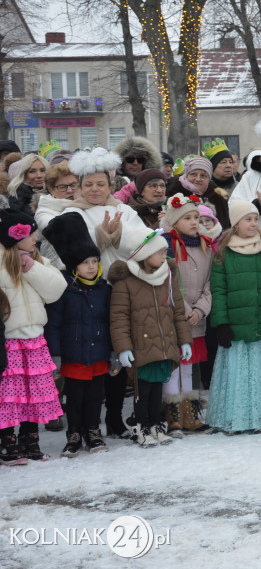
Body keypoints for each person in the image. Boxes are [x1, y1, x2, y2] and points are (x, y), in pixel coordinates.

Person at [61, 147, 150, 440]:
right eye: (88, 184)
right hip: (88, 296)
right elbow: (71, 256)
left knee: (119, 355)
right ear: (79, 186)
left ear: (111, 185)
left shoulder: (124, 211)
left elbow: (142, 247)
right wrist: (100, 240)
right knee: (95, 358)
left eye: (101, 184)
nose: (94, 189)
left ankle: (114, 417)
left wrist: (119, 237)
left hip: (123, 293)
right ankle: (87, 422)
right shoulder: (73, 213)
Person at [206, 201, 261, 433]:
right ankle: (235, 417)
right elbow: (218, 291)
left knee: (260, 374)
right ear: (235, 224)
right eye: (247, 219)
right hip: (235, 329)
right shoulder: (224, 254)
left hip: (260, 326)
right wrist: (220, 323)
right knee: (237, 374)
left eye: (255, 219)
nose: (253, 223)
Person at [108, 227, 193, 447]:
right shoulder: (125, 282)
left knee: (157, 389)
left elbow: (177, 311)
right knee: (142, 390)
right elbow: (118, 318)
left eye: (165, 252)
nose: (164, 257)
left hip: (164, 344)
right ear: (144, 255)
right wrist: (123, 347)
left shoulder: (167, 276)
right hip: (141, 346)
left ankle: (156, 424)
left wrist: (184, 340)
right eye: (160, 253)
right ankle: (142, 426)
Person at [42, 213, 113, 457]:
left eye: (94, 261)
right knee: (74, 397)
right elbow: (53, 324)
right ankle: (74, 434)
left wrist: (113, 352)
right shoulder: (64, 290)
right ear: (74, 266)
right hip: (73, 356)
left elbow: (110, 322)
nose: (91, 267)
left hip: (99, 354)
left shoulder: (105, 290)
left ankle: (93, 431)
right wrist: (56, 356)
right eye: (85, 262)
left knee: (95, 396)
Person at [0, 210, 67, 463]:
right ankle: (7, 441)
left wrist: (31, 267)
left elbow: (55, 290)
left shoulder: (36, 260)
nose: (36, 238)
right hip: (9, 339)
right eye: (30, 233)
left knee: (33, 393)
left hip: (35, 338)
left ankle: (30, 439)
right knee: (9, 395)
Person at [160, 193, 214, 436]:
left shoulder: (206, 246)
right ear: (173, 222)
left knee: (188, 366)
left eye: (196, 217)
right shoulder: (166, 245)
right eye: (187, 218)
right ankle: (173, 415)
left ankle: (190, 414)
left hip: (196, 319)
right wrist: (185, 310)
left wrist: (201, 309)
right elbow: (169, 283)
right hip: (174, 316)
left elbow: (209, 285)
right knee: (174, 365)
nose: (194, 222)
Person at [168, 155, 231, 230]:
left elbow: (226, 227)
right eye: (193, 174)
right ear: (186, 175)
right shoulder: (173, 196)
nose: (198, 179)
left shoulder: (219, 200)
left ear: (209, 179)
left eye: (203, 175)